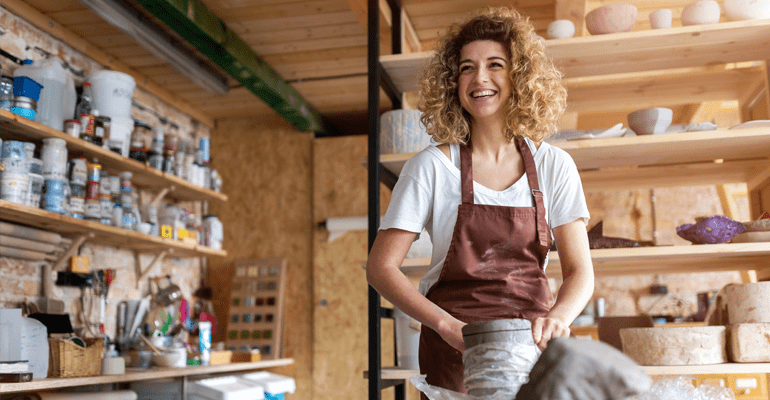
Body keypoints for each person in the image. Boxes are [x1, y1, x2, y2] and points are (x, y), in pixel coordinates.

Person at [366, 6, 595, 395]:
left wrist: (558, 318)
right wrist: (445, 326)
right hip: (454, 348)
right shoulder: (432, 167)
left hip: (531, 349)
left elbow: (580, 272)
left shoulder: (554, 165)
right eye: (466, 68)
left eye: (495, 64)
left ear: (519, 75)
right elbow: (381, 268)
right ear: (452, 83)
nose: (479, 78)